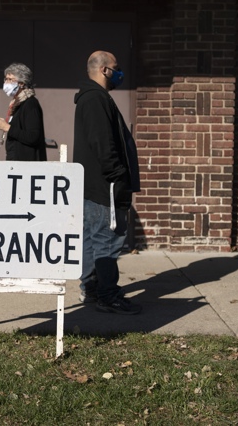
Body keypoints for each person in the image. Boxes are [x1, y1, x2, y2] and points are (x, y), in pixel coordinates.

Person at [73, 50, 141, 315]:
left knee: (92, 239)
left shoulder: (93, 98)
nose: (119, 72)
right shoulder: (95, 99)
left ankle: (92, 289)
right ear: (103, 70)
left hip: (96, 186)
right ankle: (107, 295)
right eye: (116, 68)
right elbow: (103, 143)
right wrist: (117, 175)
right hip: (105, 187)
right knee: (106, 241)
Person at [0, 63, 47, 161]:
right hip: (16, 162)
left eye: (10, 80)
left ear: (21, 83)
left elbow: (33, 136)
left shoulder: (30, 104)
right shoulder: (17, 104)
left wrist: (6, 127)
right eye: (6, 79)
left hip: (27, 165)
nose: (6, 83)